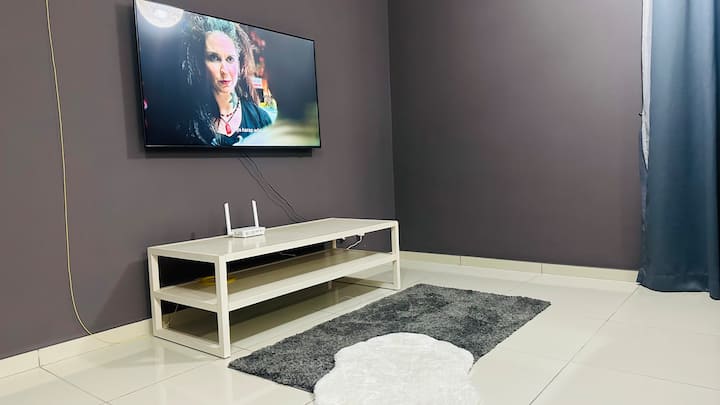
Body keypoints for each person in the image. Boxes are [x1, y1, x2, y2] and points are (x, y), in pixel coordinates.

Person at [180, 15, 272, 146]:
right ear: (199, 64)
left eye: (230, 59)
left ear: (240, 64)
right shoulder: (187, 120)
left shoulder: (261, 119)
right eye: (214, 58)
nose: (224, 70)